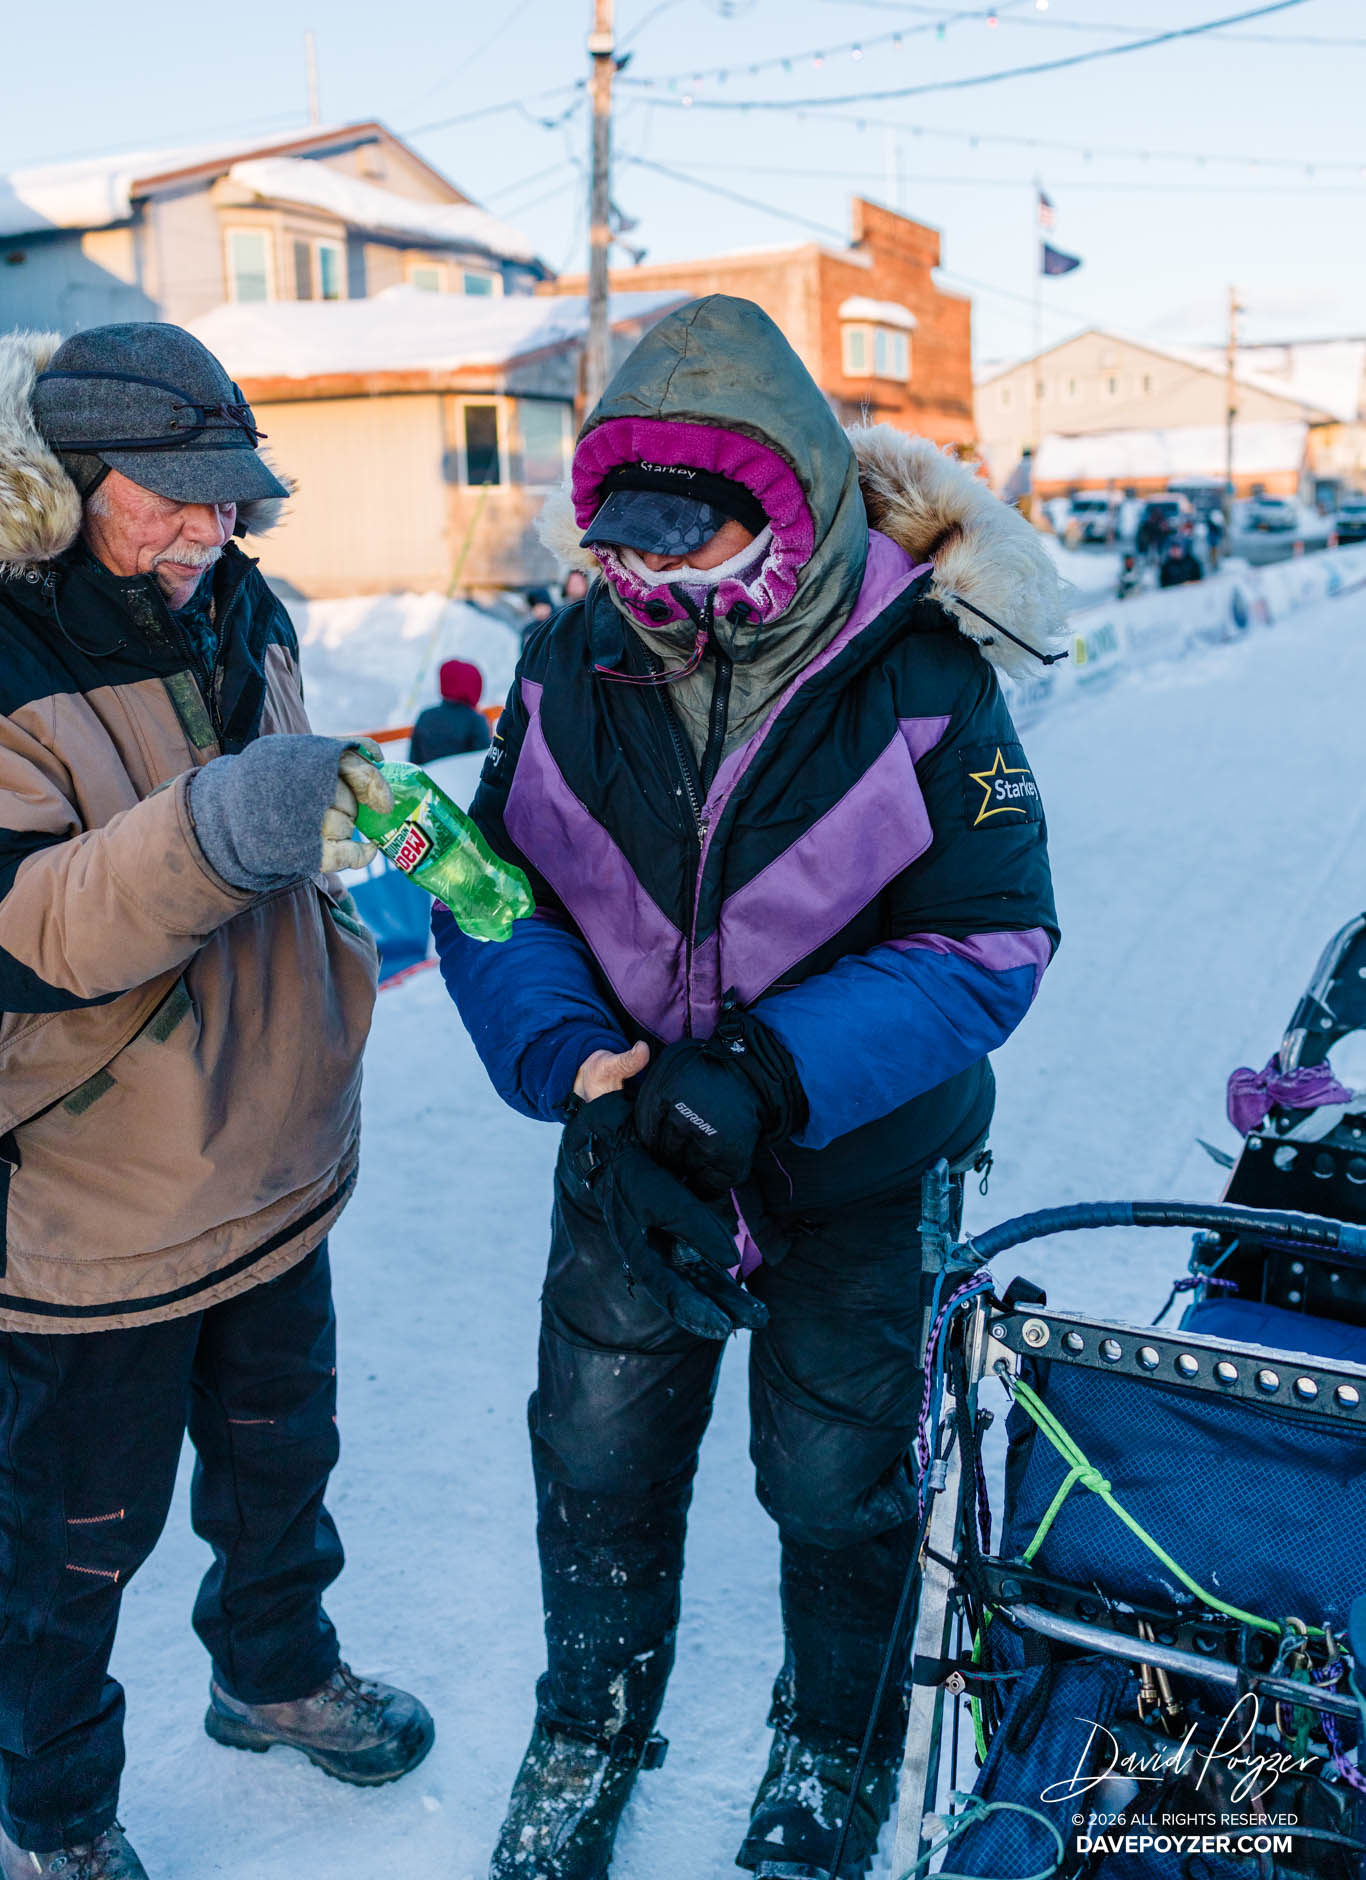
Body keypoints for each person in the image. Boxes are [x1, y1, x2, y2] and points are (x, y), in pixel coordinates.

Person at [435, 296, 1063, 1880]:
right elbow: (492, 891)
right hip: (632, 1144)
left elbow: (988, 942)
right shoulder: (568, 659)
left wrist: (769, 1075)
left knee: (838, 1475)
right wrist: (583, 1069)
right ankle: (586, 1726)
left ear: (780, 512)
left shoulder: (921, 674)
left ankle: (831, 1744)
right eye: (623, 544)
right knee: (596, 1448)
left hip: (853, 1162)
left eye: (685, 545)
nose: (645, 583)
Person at [0, 324, 433, 1880]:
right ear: (61, 486)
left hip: (273, 1158)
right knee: (71, 1546)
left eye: (228, 492)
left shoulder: (245, 605)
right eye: (169, 497)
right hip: (93, 1205)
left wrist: (360, 870)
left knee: (278, 1466)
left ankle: (274, 1676)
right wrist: (224, 823)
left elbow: (287, 828)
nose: (210, 528)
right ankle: (56, 1816)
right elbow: (27, 932)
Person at [409, 658, 491, 765]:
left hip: (429, 775)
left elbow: (414, 762)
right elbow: (485, 763)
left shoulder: (425, 716)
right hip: (462, 776)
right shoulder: (475, 720)